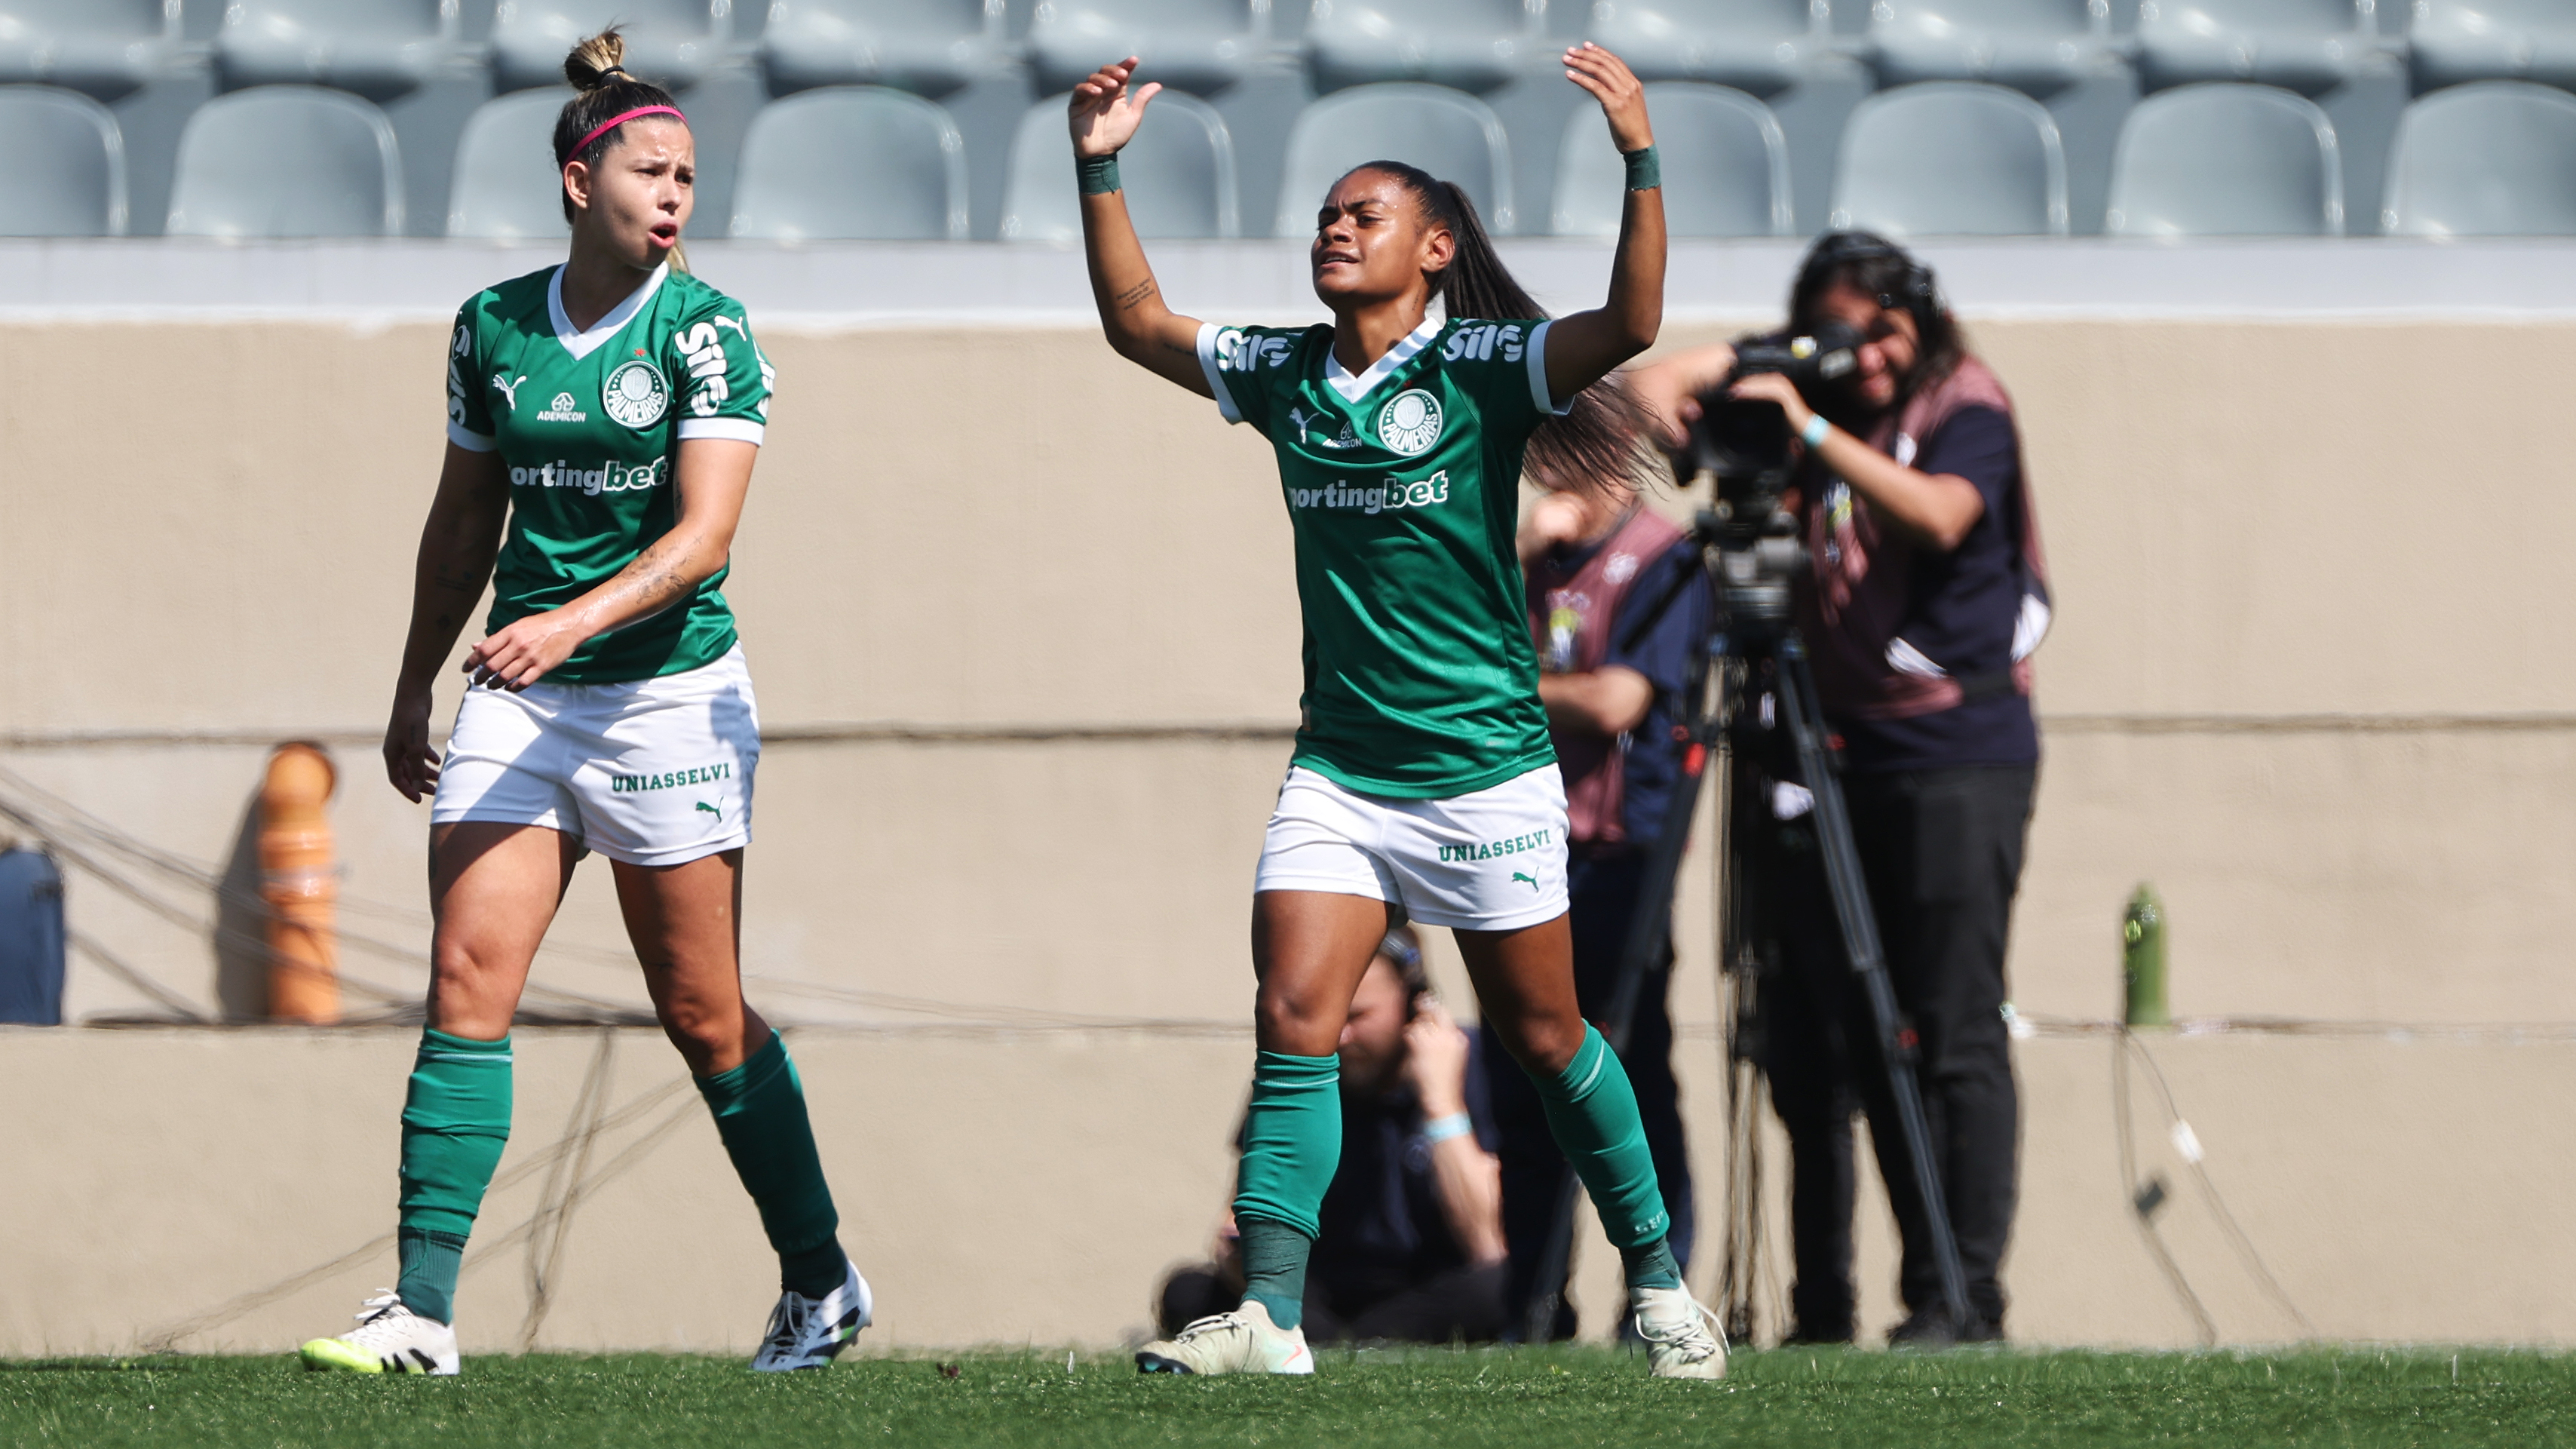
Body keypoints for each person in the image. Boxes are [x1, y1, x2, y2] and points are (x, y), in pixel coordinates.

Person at [1071, 45, 1725, 1380]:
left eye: (1364, 213)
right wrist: (1099, 167)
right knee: (1292, 1014)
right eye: (1326, 212)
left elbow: (1634, 322)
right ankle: (1269, 1316)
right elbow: (1140, 326)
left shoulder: (1484, 365)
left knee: (1548, 1042)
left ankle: (1659, 1285)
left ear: (1434, 250)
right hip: (1343, 773)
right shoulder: (1287, 372)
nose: (1335, 226)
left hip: (1484, 771)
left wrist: (1639, 154)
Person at [298, 29, 866, 1377]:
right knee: (465, 979)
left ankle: (821, 1280)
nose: (674, 195)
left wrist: (565, 622)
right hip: (521, 692)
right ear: (577, 180)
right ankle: (423, 1315)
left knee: (702, 1011)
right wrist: (411, 676)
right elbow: (459, 521)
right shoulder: (491, 324)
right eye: (650, 172)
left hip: (668, 699)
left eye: (687, 175)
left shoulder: (708, 330)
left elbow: (704, 541)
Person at [1632, 231, 2048, 1345]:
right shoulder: (1818, 391)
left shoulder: (1967, 401)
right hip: (1842, 751)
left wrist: (1807, 420)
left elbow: (1942, 514)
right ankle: (1850, 1303)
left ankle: (1966, 1294)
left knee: (1950, 1023)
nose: (1860, 358)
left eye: (1877, 332)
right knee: (1860, 1029)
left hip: (1958, 749)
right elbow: (1647, 388)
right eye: (1839, 335)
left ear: (1919, 320)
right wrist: (1762, 366)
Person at [1492, 411, 1713, 1339]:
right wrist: (1507, 554)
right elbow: (1449, 645)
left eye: (1562, 459)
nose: (1546, 479)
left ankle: (1652, 1294)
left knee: (1627, 1068)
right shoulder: (1531, 559)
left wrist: (1510, 687)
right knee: (1521, 1076)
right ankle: (1534, 1300)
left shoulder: (1665, 556)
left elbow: (1621, 696)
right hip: (1522, 845)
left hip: (1619, 854)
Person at [1158, 928, 1510, 1343]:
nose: (1339, 1036)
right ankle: (1341, 1344)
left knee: (1502, 1288)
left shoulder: (1477, 1067)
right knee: (1188, 1290)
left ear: (1415, 1007)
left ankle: (1345, 1345)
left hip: (1427, 1289)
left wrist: (1442, 1103)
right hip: (1317, 1293)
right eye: (1326, 1013)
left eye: (1357, 1016)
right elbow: (1239, 1222)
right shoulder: (1297, 1073)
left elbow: (1489, 1249)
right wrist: (1241, 1250)